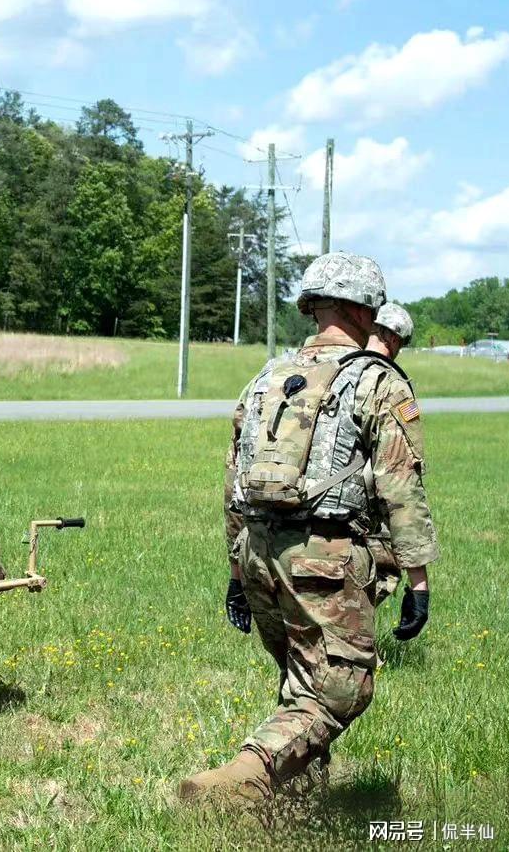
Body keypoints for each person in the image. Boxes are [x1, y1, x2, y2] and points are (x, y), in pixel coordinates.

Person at [181, 252, 439, 803]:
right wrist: (418, 580)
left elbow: (234, 479)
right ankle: (241, 780)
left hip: (256, 555)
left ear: (313, 306)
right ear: (363, 309)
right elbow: (401, 486)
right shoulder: (378, 381)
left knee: (301, 679)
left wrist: (236, 571)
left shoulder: (267, 376)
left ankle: (294, 803)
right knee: (338, 692)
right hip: (324, 559)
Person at [366, 302, 416, 605]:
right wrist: (419, 580)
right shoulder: (392, 385)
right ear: (395, 340)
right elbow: (404, 476)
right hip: (367, 516)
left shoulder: (333, 370)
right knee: (380, 576)